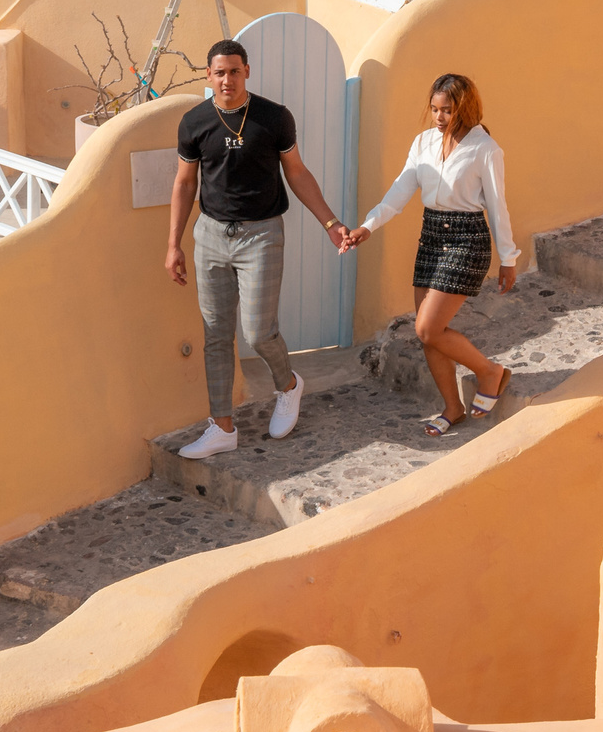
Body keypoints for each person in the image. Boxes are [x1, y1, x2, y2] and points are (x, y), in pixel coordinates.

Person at [167, 39, 349, 460]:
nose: (226, 79)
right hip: (210, 236)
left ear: (246, 71)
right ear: (208, 75)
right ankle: (222, 426)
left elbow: (298, 173)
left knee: (258, 330)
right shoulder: (194, 122)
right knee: (215, 334)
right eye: (219, 72)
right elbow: (184, 184)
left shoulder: (274, 118)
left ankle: (288, 385)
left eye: (234, 71)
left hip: (262, 234)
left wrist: (331, 223)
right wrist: (173, 244)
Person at [343, 73, 517, 436]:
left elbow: (498, 207)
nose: (439, 117)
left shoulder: (485, 149)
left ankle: (489, 372)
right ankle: (452, 408)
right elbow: (399, 190)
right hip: (431, 238)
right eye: (435, 109)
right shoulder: (423, 143)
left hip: (467, 240)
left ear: (464, 108)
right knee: (429, 334)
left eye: (447, 110)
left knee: (426, 326)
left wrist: (508, 258)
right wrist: (368, 226)